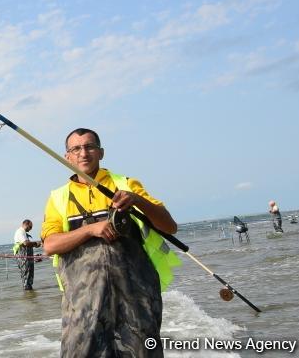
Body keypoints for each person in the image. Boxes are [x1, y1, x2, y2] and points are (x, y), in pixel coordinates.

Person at [41, 128, 180, 358]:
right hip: (84, 306)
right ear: (67, 157)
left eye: (89, 147)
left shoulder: (126, 184)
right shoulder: (58, 198)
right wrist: (90, 229)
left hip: (137, 300)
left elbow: (169, 227)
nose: (83, 153)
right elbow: (50, 245)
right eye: (76, 149)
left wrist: (137, 200)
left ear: (101, 152)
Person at [13, 219, 41, 290]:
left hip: (27, 256)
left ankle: (30, 295)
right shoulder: (20, 231)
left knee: (30, 274)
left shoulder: (23, 232)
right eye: (30, 227)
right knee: (26, 274)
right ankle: (27, 291)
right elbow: (25, 243)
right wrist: (35, 244)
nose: (30, 229)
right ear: (25, 225)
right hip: (23, 256)